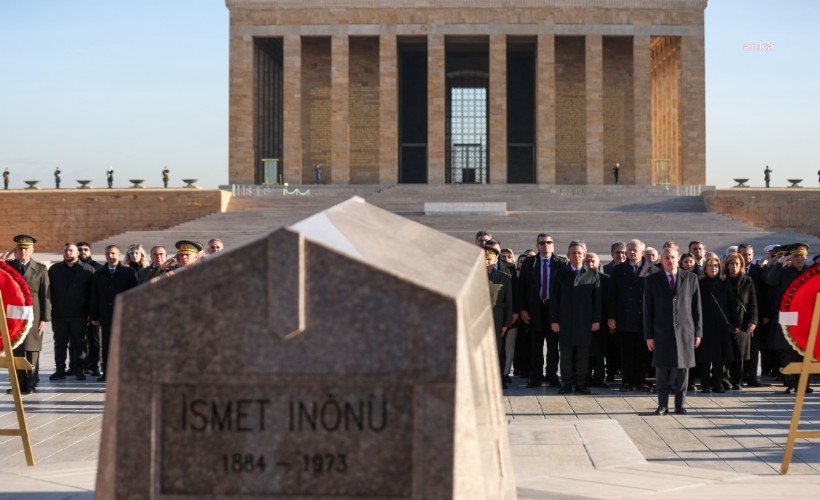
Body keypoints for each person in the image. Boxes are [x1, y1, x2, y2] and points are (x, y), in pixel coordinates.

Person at [644, 246, 703, 415]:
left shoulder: (691, 278)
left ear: (678, 258)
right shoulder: (652, 280)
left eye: (672, 257)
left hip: (685, 331)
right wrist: (649, 335)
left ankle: (680, 404)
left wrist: (698, 332)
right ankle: (662, 404)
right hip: (661, 332)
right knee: (662, 370)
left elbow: (697, 308)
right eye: (666, 258)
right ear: (661, 260)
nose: (670, 260)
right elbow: (648, 309)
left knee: (683, 370)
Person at [762, 243, 815, 394]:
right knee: (787, 350)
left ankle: (804, 384)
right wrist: (778, 264)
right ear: (791, 257)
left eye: (802, 256)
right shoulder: (784, 271)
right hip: (789, 315)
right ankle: (791, 383)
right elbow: (769, 281)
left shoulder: (811, 272)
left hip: (807, 316)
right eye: (796, 256)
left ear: (806, 257)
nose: (799, 259)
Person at [550, 241, 601, 395]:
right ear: (568, 255)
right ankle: (566, 384)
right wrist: (554, 320)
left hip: (584, 322)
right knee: (565, 355)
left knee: (582, 356)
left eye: (579, 253)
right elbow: (554, 299)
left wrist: (596, 320)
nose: (577, 255)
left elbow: (596, 300)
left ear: (584, 255)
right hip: (565, 322)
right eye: (573, 253)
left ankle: (580, 384)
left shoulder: (592, 274)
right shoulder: (560, 274)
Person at [608, 239, 658, 392]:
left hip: (644, 318)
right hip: (625, 317)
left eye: (635, 249)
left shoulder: (654, 271)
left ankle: (641, 380)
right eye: (629, 249)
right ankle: (627, 380)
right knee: (627, 350)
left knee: (644, 351)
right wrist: (611, 317)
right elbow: (612, 295)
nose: (632, 252)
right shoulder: (617, 270)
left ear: (643, 252)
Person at [519, 233, 567, 388]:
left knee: (553, 346)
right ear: (537, 245)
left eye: (548, 242)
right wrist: (523, 310)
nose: (545, 245)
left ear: (553, 245)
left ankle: (552, 375)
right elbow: (523, 287)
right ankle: (536, 377)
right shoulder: (529, 263)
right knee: (535, 345)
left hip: (553, 309)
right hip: (535, 309)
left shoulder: (561, 262)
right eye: (542, 243)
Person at [4, 235, 51, 395]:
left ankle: (31, 384)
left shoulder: (40, 269)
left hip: (33, 315)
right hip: (14, 315)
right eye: (20, 249)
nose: (23, 252)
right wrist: (4, 257)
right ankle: (18, 383)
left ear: (32, 250)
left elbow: (45, 295)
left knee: (32, 350)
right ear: (15, 251)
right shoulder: (9, 267)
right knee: (16, 349)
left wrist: (45, 318)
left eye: (26, 249)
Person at [89, 245, 139, 382]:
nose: (110, 256)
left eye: (113, 253)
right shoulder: (98, 273)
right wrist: (94, 315)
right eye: (107, 253)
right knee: (106, 346)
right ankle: (107, 373)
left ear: (119, 254)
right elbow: (94, 295)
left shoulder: (129, 272)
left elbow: (134, 294)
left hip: (123, 315)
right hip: (106, 316)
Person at [48, 243, 94, 381]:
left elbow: (92, 294)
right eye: (66, 250)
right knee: (60, 342)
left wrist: (91, 312)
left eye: (71, 251)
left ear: (77, 253)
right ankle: (60, 369)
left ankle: (79, 369)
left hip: (79, 314)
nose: (68, 253)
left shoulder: (88, 269)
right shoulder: (54, 269)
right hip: (59, 313)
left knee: (79, 342)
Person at [695, 256, 737, 393]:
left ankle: (717, 383)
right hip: (705, 325)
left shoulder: (725, 283)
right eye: (711, 266)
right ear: (705, 269)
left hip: (721, 325)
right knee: (705, 357)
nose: (714, 268)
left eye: (716, 266)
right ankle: (706, 384)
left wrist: (735, 322)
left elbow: (731, 304)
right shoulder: (699, 283)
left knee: (720, 357)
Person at [724, 253, 758, 390]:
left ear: (742, 265)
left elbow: (753, 302)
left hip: (743, 321)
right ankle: (725, 381)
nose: (734, 266)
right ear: (727, 265)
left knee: (740, 352)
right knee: (727, 352)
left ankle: (737, 381)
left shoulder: (747, 281)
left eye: (737, 264)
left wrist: (753, 320)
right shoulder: (723, 280)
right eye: (731, 264)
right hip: (727, 321)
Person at [485, 246, 513, 388]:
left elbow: (509, 303)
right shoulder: (471, 275)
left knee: (498, 350)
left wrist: (506, 324)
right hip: (478, 318)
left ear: (495, 259)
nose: (486, 262)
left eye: (489, 259)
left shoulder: (504, 278)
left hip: (497, 318)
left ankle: (498, 379)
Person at [77, 241, 103, 376]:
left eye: (85, 249)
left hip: (92, 309)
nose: (83, 252)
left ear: (90, 251)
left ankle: (94, 365)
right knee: (77, 340)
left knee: (94, 341)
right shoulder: (73, 267)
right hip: (77, 310)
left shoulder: (98, 268)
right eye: (80, 249)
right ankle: (79, 365)